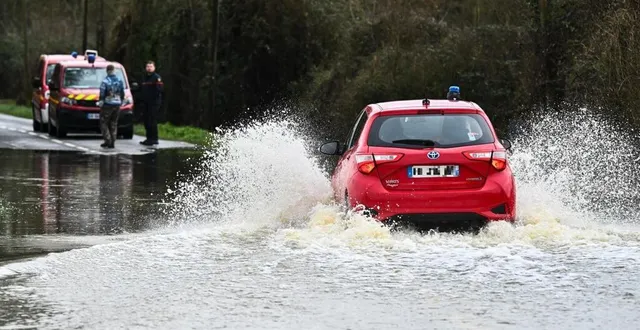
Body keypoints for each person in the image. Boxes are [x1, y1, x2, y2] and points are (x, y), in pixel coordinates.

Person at [98, 64, 125, 149]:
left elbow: (102, 93)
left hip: (107, 104)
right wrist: (121, 100)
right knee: (114, 123)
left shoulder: (105, 81)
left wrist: (101, 102)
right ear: (114, 71)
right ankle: (113, 141)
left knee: (104, 122)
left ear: (107, 71)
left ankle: (108, 140)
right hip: (117, 104)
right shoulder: (120, 80)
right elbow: (122, 92)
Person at [139, 60, 163, 146]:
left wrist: (152, 99)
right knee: (146, 121)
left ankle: (154, 138)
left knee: (152, 120)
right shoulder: (144, 77)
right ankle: (148, 138)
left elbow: (159, 90)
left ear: (154, 68)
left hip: (154, 103)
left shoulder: (156, 77)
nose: (149, 68)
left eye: (151, 67)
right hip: (146, 103)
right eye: (148, 67)